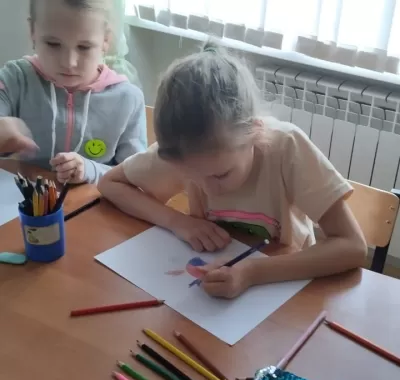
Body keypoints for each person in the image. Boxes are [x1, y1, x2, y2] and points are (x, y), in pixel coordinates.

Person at [98, 41, 367, 299]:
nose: (208, 190)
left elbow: (352, 246)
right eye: (192, 177)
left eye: (220, 175)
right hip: (218, 283)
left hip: (289, 285)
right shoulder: (186, 149)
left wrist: (253, 272)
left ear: (255, 133)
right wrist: (177, 221)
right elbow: (110, 184)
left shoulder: (286, 147)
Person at [0, 0, 146, 184]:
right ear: (32, 31)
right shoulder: (15, 78)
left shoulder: (128, 99)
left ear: (105, 40)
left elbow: (136, 175)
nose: (69, 62)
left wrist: (90, 170)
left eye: (84, 47)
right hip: (25, 198)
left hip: (94, 200)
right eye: (53, 44)